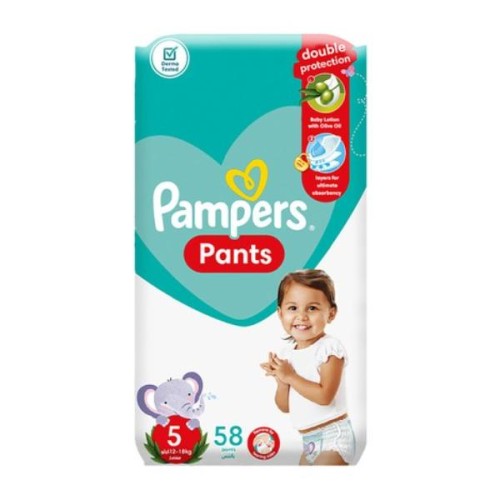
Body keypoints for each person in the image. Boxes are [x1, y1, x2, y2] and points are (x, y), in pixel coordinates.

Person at [260, 269, 355, 465]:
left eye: (312, 308)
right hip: (308, 440)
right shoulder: (287, 354)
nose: (301, 316)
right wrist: (281, 381)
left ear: (331, 313)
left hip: (333, 435)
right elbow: (285, 407)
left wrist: (290, 376)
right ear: (280, 313)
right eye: (293, 308)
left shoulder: (329, 348)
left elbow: (325, 396)